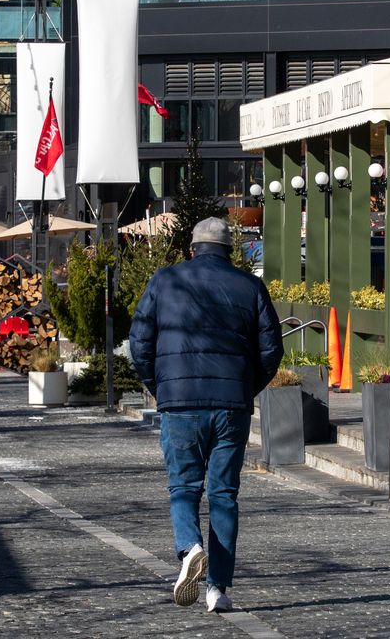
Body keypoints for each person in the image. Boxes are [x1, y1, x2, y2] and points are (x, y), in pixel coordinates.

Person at [130, 216, 282, 614]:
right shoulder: (250, 286)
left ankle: (189, 548)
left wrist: (159, 387)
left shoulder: (165, 281)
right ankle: (217, 588)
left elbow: (139, 341)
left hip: (180, 402)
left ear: (192, 249)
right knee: (224, 495)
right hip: (231, 403)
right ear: (230, 252)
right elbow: (271, 351)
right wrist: (245, 388)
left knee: (183, 487)